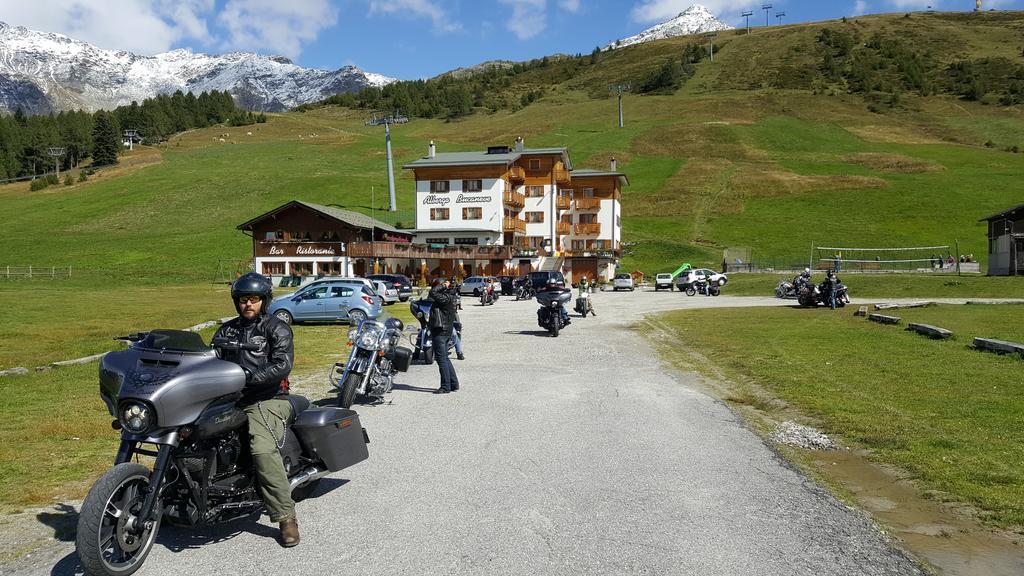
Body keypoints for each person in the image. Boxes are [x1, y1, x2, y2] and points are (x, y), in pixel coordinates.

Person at [212, 272, 300, 547]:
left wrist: (247, 378)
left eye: (253, 299)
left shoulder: (276, 328)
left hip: (268, 398)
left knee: (262, 449)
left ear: (264, 300)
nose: (247, 304)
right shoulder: (226, 330)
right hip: (228, 399)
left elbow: (281, 365)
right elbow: (207, 358)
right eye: (242, 299)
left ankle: (286, 516)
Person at [428, 278, 460, 393]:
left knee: (441, 359)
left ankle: (446, 386)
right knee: (444, 358)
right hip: (446, 330)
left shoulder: (444, 298)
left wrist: (443, 285)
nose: (433, 288)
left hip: (441, 331)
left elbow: (433, 292)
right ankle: (453, 383)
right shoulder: (448, 296)